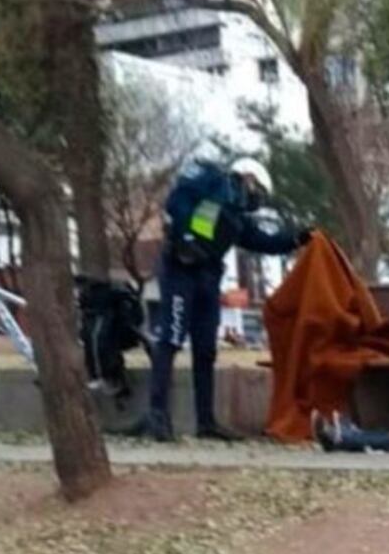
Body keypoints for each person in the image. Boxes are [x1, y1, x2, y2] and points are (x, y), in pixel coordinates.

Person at [133, 158, 312, 442]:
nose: (257, 199)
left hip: (208, 274)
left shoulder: (237, 218)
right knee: (171, 337)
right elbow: (178, 200)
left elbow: (264, 242)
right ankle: (158, 415)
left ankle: (206, 422)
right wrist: (187, 237)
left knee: (206, 348)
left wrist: (297, 238)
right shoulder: (211, 178)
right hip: (181, 268)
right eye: (258, 191)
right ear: (248, 178)